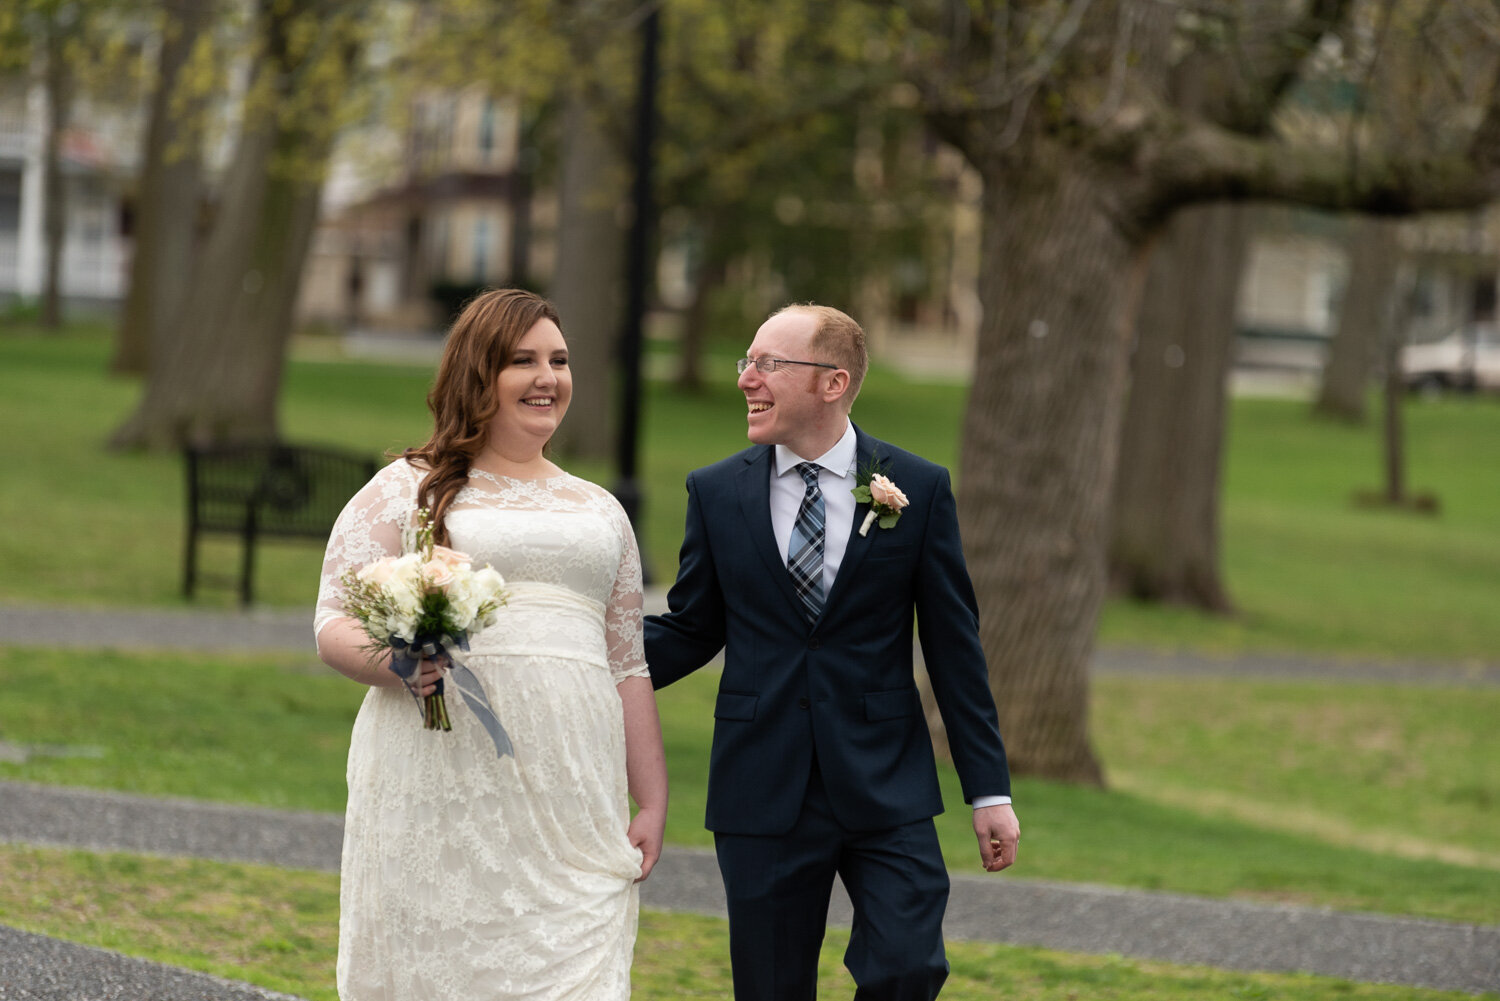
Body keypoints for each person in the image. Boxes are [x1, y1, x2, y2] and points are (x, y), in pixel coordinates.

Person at [644, 304, 1019, 1001]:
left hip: (886, 782)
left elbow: (953, 647)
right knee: (771, 988)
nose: (745, 379)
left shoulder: (920, 487)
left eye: (767, 364)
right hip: (761, 781)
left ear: (833, 381)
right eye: (745, 362)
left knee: (909, 966)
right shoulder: (716, 491)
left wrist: (988, 789)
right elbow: (692, 628)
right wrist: (578, 660)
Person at [315, 288, 668, 1001]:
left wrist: (652, 796)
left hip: (574, 790)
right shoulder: (407, 489)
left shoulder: (601, 509)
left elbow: (627, 663)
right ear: (478, 373)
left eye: (560, 360)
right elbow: (333, 623)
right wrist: (402, 662)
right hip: (443, 779)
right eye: (523, 360)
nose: (548, 377)